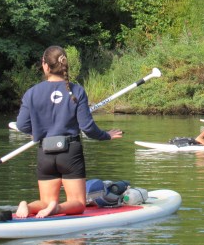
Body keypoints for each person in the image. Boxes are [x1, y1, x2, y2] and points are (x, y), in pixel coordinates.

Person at [15, 45, 123, 219]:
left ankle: (27, 205)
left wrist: (37, 131)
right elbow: (87, 128)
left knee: (44, 200)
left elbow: (21, 125)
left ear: (45, 65)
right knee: (78, 203)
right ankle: (56, 208)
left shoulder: (31, 93)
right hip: (70, 153)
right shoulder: (77, 91)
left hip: (45, 151)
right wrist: (106, 135)